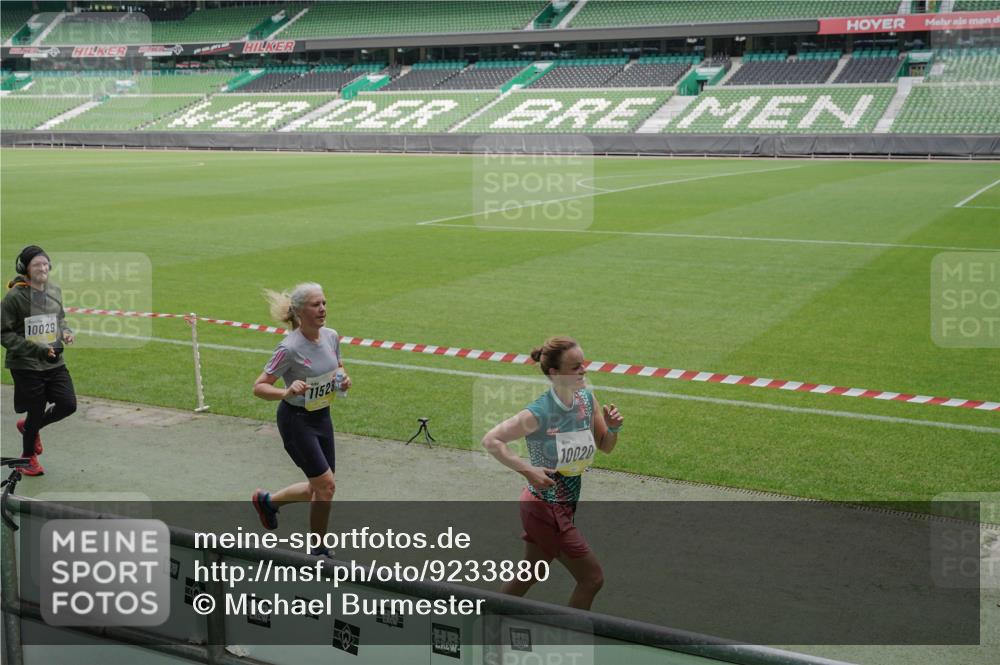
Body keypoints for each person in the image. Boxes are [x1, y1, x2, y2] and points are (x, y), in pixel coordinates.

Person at [482, 336, 623, 610]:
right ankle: (570, 641)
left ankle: (488, 618)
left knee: (531, 572)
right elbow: (492, 440)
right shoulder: (539, 412)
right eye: (575, 367)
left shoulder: (586, 399)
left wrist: (612, 428)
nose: (583, 370)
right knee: (592, 579)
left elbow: (605, 446)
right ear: (554, 373)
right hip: (546, 508)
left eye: (583, 364)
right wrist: (528, 470)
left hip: (560, 506)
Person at [250, 283, 350, 556]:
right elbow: (259, 387)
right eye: (315, 305)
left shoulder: (331, 336)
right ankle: (318, 549)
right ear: (299, 312)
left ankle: (268, 502)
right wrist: (286, 390)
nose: (322, 309)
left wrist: (342, 380)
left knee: (317, 489)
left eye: (324, 303)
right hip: (296, 421)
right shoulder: (289, 348)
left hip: (322, 417)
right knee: (326, 486)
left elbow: (338, 366)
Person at [1, 245, 77, 477]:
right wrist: (35, 349)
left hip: (54, 361)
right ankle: (27, 458)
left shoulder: (53, 290)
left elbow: (60, 318)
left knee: (68, 404)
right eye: (37, 264)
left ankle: (30, 429)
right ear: (25, 268)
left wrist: (65, 331)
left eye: (45, 263)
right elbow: (3, 333)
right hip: (26, 364)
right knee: (35, 409)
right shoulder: (14, 297)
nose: (43, 268)